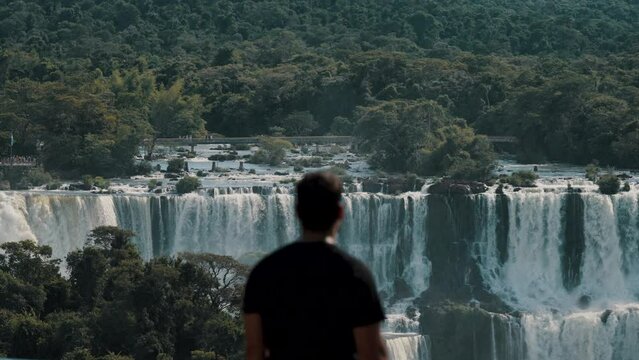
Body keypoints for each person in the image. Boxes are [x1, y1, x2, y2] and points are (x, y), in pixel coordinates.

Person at [243, 172, 387, 360]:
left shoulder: (262, 273)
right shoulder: (356, 275)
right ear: (340, 212)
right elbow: (371, 354)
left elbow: (254, 351)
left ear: (296, 211)